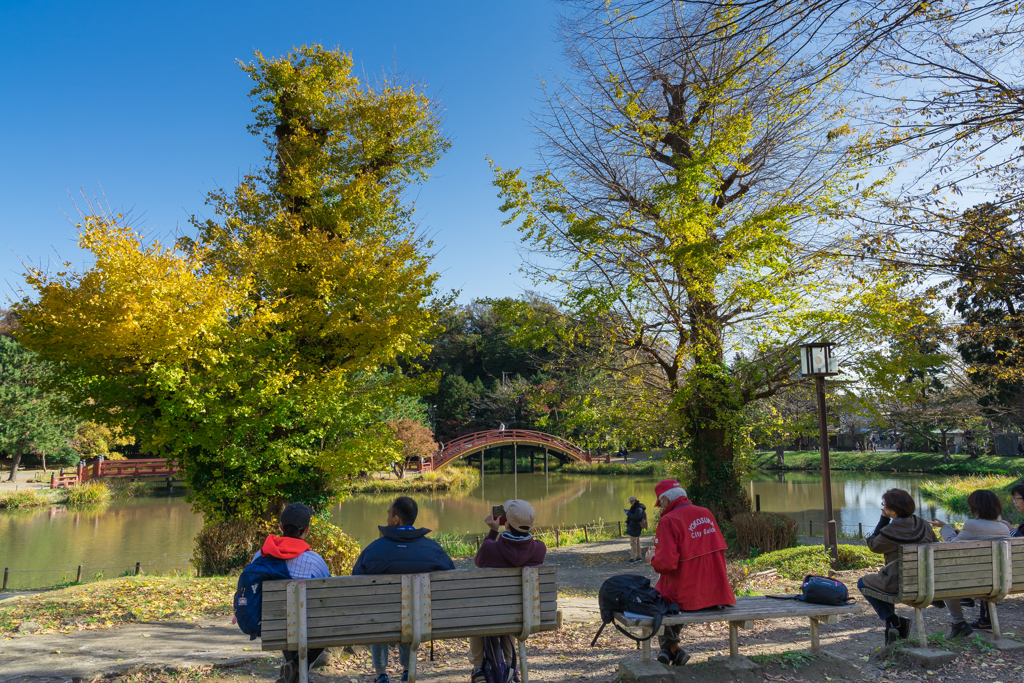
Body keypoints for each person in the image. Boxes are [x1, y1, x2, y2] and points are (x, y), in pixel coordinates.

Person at [352, 496, 456, 683]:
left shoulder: (373, 550)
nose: (386, 519)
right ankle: (408, 670)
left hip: (380, 619)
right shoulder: (433, 549)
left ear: (396, 519)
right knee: (412, 609)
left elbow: (355, 579)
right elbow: (452, 578)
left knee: (380, 609)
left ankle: (381, 674)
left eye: (388, 515)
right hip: (422, 618)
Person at [644, 480, 735, 667]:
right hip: (716, 593)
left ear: (666, 499)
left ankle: (672, 649)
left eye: (660, 502)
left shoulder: (669, 520)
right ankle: (671, 652)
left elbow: (666, 564)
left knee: (657, 601)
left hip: (688, 595)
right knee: (665, 598)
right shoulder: (706, 513)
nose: (659, 507)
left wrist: (651, 558)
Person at [250, 503, 331, 683]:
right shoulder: (314, 561)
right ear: (307, 529)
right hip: (312, 628)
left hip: (273, 628)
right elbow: (328, 596)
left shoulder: (260, 556)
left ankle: (292, 667)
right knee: (319, 622)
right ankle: (299, 669)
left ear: (280, 528)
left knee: (287, 623)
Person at [468, 499, 546, 683]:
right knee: (512, 608)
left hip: (488, 613)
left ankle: (478, 669)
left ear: (507, 523)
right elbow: (526, 544)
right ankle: (512, 666)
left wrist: (493, 531)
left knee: (477, 612)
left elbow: (479, 561)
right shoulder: (539, 550)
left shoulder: (490, 548)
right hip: (522, 614)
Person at [856, 489, 937, 644]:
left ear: (892, 510)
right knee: (884, 579)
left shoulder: (891, 531)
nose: (883, 507)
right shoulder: (924, 524)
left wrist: (883, 519)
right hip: (926, 581)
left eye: (884, 505)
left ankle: (894, 621)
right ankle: (893, 625)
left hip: (900, 584)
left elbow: (873, 545)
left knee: (863, 582)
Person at [930, 489, 1010, 638]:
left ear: (976, 507)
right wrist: (960, 532)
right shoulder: (1004, 527)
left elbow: (952, 544)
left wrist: (945, 528)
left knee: (944, 579)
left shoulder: (972, 525)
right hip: (999, 581)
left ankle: (959, 622)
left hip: (972, 582)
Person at [624, 496, 646, 563]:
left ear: (634, 501)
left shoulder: (638, 508)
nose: (631, 504)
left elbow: (635, 517)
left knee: (633, 543)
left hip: (635, 528)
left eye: (631, 502)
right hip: (635, 527)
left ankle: (633, 558)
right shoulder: (637, 508)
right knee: (637, 543)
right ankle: (638, 557)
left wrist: (628, 513)